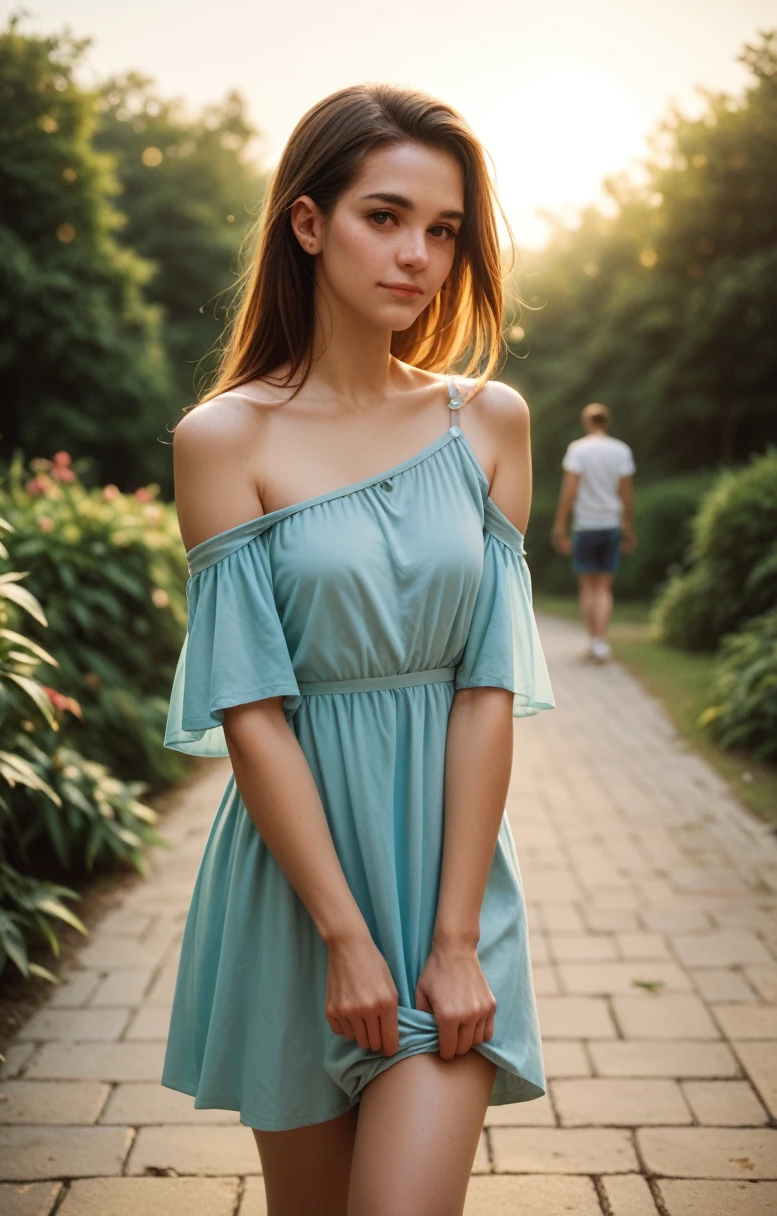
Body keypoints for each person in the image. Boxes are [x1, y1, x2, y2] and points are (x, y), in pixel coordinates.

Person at [160, 82, 555, 1216]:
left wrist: (454, 935)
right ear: (307, 221)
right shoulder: (226, 438)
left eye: (442, 231)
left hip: (450, 876)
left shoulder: (489, 421)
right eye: (385, 217)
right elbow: (251, 709)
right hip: (295, 892)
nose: (418, 255)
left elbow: (486, 686)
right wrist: (342, 933)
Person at [551, 403, 637, 663]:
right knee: (604, 588)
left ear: (587, 421)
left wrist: (560, 525)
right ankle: (600, 642)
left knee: (587, 587)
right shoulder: (621, 450)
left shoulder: (578, 449)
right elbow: (626, 493)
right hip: (610, 524)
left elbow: (569, 491)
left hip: (585, 525)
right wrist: (628, 526)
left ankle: (592, 641)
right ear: (607, 422)